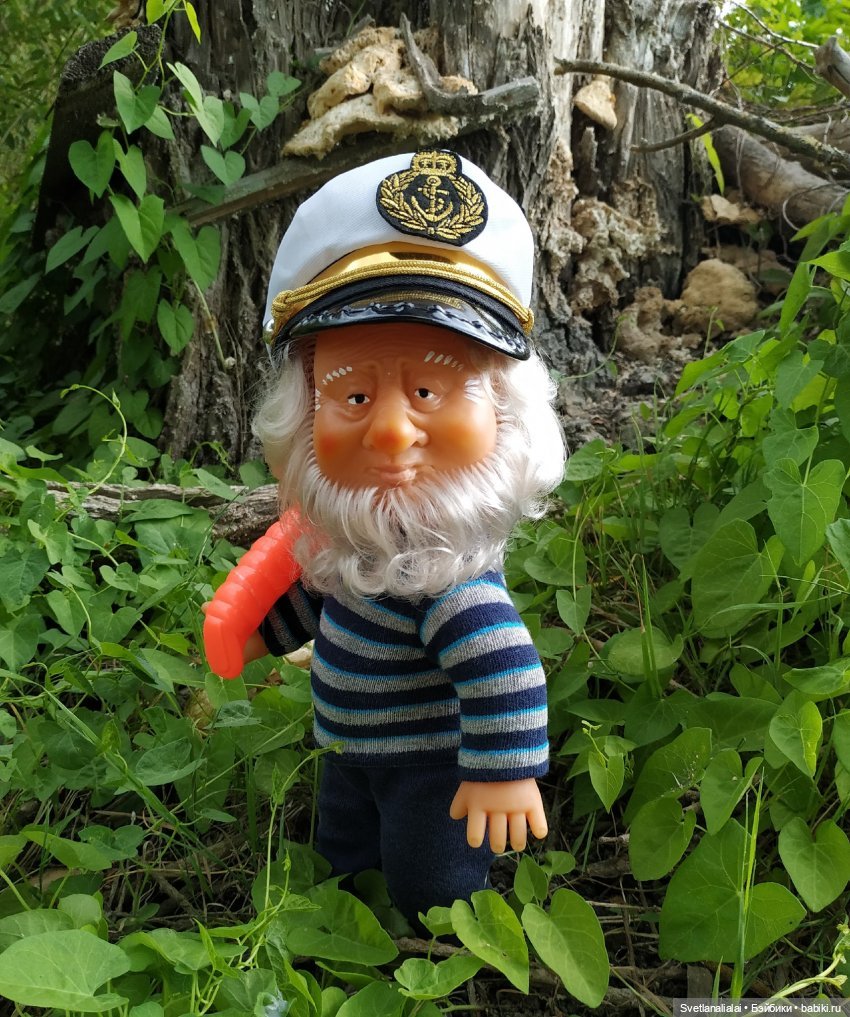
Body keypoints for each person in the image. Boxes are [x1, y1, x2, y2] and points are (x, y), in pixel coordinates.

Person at [204, 149, 566, 925]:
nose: (394, 431)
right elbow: (325, 598)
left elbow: (503, 670)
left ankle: (440, 935)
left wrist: (504, 771)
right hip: (347, 752)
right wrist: (260, 633)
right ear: (305, 415)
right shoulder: (351, 550)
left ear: (504, 412)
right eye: (354, 395)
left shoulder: (453, 586)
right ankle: (348, 912)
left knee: (428, 871)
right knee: (343, 848)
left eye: (430, 389)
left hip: (430, 768)